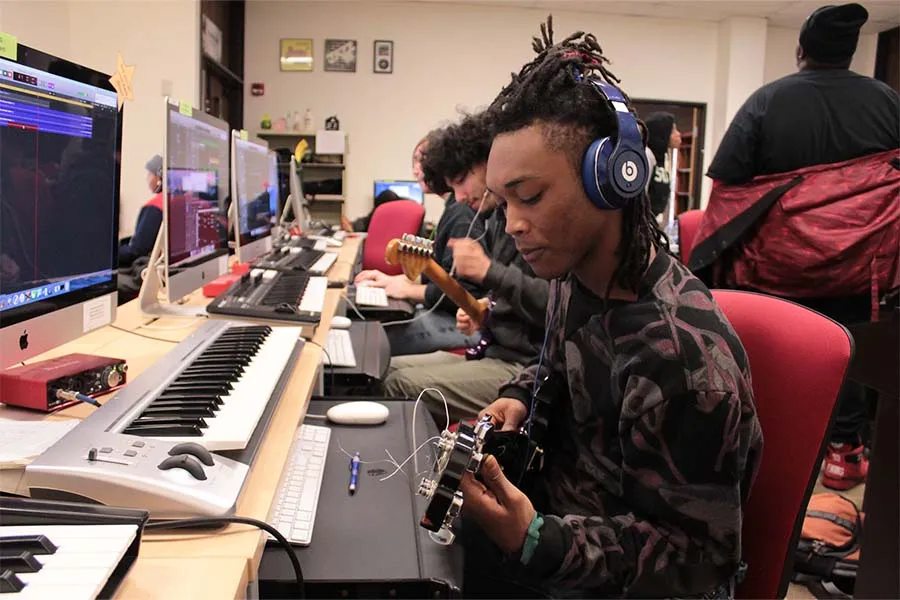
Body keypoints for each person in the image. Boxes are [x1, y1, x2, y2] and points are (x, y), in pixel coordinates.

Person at [455, 17, 763, 598]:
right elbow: (557, 368)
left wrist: (537, 540)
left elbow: (697, 563)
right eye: (503, 202)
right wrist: (520, 395)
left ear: (613, 181)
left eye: (531, 196)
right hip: (564, 533)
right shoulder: (577, 277)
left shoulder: (684, 362)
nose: (512, 224)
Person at [698, 3, 899, 490]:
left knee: (775, 358)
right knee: (850, 353)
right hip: (859, 270)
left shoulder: (768, 101)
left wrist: (705, 266)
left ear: (801, 50)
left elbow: (728, 191)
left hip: (778, 274)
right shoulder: (889, 104)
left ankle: (767, 456)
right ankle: (845, 456)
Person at [383, 112, 549, 420]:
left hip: (524, 369)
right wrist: (485, 310)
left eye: (461, 182)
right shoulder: (497, 219)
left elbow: (553, 305)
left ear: (489, 164)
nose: (459, 197)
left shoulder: (532, 222)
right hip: (495, 351)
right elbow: (516, 294)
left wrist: (489, 271)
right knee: (384, 368)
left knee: (399, 384)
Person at [354, 126, 484, 356]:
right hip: (449, 315)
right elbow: (441, 275)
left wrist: (406, 290)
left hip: (464, 323)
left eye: (421, 161)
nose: (417, 170)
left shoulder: (462, 214)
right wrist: (392, 281)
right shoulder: (453, 209)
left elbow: (463, 293)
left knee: (371, 343)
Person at [118, 154, 164, 268]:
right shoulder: (179, 199)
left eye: (150, 174)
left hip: (150, 270)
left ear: (159, 178)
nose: (147, 178)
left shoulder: (155, 207)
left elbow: (137, 251)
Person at [644, 112, 682, 221]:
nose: (678, 134)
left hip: (653, 221)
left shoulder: (664, 157)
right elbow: (640, 196)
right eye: (673, 130)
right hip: (642, 222)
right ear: (662, 134)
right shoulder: (647, 155)